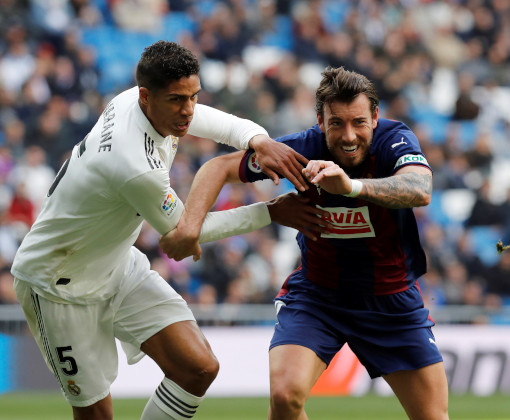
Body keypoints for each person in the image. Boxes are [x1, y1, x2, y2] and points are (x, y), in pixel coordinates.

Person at [10, 40, 322, 420]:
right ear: (147, 97)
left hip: (115, 263)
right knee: (96, 416)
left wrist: (258, 139)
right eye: (177, 100)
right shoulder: (134, 164)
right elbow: (185, 233)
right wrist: (270, 212)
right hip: (57, 283)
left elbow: (212, 120)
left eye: (193, 96)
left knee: (198, 367)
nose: (188, 110)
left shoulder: (139, 102)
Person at [160, 66, 449, 420]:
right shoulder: (300, 151)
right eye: (336, 123)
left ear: (375, 117)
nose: (348, 136)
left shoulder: (394, 140)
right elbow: (218, 167)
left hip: (391, 302)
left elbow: (421, 189)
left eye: (358, 122)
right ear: (319, 120)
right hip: (318, 298)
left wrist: (351, 188)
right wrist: (190, 227)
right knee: (284, 398)